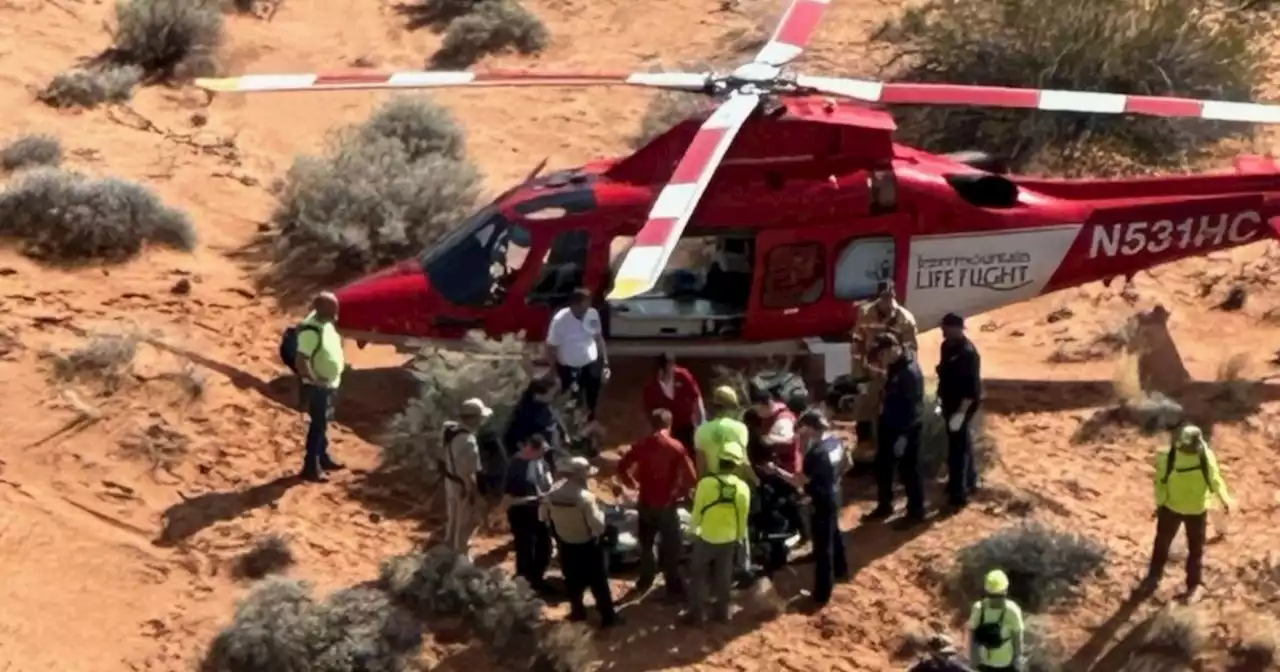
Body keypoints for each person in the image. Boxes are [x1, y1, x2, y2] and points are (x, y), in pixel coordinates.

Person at [1138, 424, 1234, 603]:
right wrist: (1224, 500)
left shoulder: (1167, 457)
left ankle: (1153, 578)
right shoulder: (1206, 456)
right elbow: (1215, 480)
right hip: (1196, 510)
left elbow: (1160, 484)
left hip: (1171, 507)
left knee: (1162, 544)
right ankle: (1194, 585)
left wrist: (1160, 505)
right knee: (1195, 549)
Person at [765, 409, 850, 606]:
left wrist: (775, 470)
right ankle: (842, 571)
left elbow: (798, 482)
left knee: (822, 547)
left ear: (810, 428)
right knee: (834, 533)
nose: (799, 431)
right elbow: (848, 462)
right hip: (835, 492)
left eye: (801, 427)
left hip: (820, 500)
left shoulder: (815, 453)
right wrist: (832, 480)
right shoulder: (834, 442)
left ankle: (822, 594)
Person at [616, 408, 697, 600]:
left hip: (645, 501)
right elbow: (692, 477)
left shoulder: (642, 444)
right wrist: (679, 493)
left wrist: (633, 484)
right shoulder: (675, 447)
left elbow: (622, 467)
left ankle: (645, 579)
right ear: (669, 424)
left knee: (646, 543)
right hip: (666, 504)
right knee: (672, 547)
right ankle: (673, 587)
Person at [541, 456, 619, 627]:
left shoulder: (552, 494)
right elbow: (597, 527)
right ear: (581, 476)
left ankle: (578, 612)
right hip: (588, 545)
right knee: (599, 582)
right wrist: (602, 514)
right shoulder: (585, 498)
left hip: (566, 544)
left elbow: (542, 517)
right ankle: (608, 617)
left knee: (572, 581)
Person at [850, 279, 919, 461]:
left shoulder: (905, 319)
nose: (887, 301)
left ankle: (886, 458)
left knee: (887, 418)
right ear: (878, 297)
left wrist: (900, 378)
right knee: (864, 415)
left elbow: (911, 352)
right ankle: (863, 459)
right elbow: (857, 342)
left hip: (892, 378)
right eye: (883, 297)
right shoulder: (865, 314)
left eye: (890, 297)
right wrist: (859, 376)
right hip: (870, 375)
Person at [865, 332, 926, 524]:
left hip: (906, 428)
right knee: (883, 466)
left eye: (882, 354)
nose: (880, 359)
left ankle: (916, 512)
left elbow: (914, 407)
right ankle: (885, 505)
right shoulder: (895, 365)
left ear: (893, 349)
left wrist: (904, 436)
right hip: (889, 423)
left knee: (909, 470)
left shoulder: (909, 372)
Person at [684, 451, 752, 626]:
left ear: (718, 464)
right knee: (724, 575)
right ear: (736, 467)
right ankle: (722, 613)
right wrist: (739, 537)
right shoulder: (743, 488)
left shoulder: (706, 484)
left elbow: (698, 509)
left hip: (707, 536)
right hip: (728, 538)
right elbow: (743, 517)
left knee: (698, 574)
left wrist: (693, 529)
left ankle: (696, 615)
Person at [294, 291, 347, 482]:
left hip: (329, 384)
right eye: (332, 310)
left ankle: (323, 458)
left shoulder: (325, 322)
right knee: (317, 426)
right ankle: (310, 466)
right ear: (322, 310)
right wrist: (314, 380)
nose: (336, 313)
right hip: (317, 387)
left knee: (323, 423)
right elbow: (302, 360)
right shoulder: (311, 331)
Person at [936, 312, 982, 508]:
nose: (942, 331)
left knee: (957, 449)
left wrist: (961, 414)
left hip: (964, 404)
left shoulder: (968, 354)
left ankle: (958, 494)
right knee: (961, 442)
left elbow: (971, 390)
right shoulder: (946, 346)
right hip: (949, 401)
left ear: (956, 329)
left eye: (946, 327)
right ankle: (969, 480)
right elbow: (944, 373)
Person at [546, 287, 610, 421]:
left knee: (592, 398)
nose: (588, 308)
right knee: (570, 400)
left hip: (591, 365)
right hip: (569, 369)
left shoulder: (592, 314)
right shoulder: (560, 320)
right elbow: (551, 347)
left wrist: (605, 363)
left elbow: (598, 338)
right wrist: (554, 372)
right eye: (584, 305)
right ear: (574, 305)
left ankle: (589, 423)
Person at [502, 434, 555, 591]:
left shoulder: (540, 462)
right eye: (541, 451)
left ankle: (538, 579)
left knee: (544, 547)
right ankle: (524, 584)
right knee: (526, 549)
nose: (543, 454)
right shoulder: (516, 465)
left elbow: (546, 482)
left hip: (539, 509)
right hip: (522, 511)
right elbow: (509, 495)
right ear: (531, 449)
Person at [441, 398, 492, 556]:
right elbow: (470, 473)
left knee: (453, 523)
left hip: (450, 481)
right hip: (463, 486)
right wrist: (474, 496)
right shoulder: (468, 440)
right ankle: (460, 564)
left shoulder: (449, 431)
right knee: (465, 526)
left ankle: (447, 557)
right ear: (474, 419)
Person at [642, 353, 706, 455]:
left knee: (689, 452)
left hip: (686, 424)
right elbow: (648, 410)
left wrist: (701, 424)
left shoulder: (683, 376)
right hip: (665, 428)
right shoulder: (652, 386)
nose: (664, 375)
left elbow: (696, 398)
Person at [968, 569, 1025, 672]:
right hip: (984, 665)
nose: (996, 600)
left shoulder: (1012, 611)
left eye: (999, 596)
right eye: (992, 596)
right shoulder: (979, 609)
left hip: (1006, 666)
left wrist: (1018, 661)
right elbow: (973, 636)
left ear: (1006, 592)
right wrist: (973, 661)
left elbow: (1017, 639)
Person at [693, 386, 752, 480]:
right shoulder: (741, 428)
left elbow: (701, 466)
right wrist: (756, 482)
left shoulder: (701, 430)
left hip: (711, 484)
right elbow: (744, 462)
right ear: (731, 407)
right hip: (735, 485)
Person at [504, 376, 562, 458]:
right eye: (552, 394)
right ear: (539, 394)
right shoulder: (528, 412)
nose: (553, 397)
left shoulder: (541, 403)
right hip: (526, 446)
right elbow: (521, 437)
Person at [909, 634, 976, 672]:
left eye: (947, 654)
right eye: (944, 654)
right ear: (932, 653)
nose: (946, 657)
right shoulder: (923, 665)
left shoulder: (952, 665)